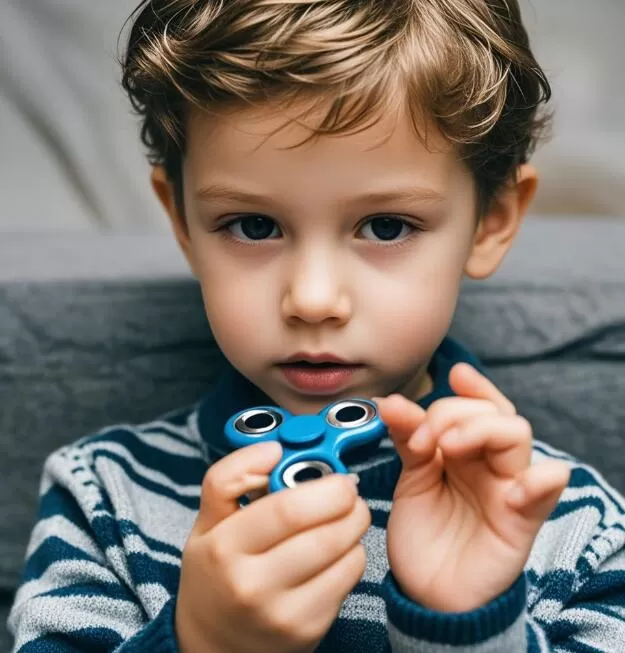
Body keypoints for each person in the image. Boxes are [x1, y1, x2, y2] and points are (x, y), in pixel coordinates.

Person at [8, 0, 625, 651]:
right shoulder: (103, 496)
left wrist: (468, 625)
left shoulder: (572, 524)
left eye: (386, 226)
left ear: (491, 220)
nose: (312, 298)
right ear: (182, 220)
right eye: (253, 225)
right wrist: (202, 640)